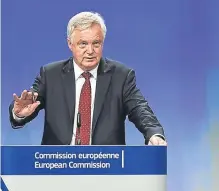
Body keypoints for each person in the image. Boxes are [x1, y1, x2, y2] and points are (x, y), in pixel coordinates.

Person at [9, 11, 167, 146]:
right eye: (83, 44)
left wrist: (154, 134)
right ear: (70, 44)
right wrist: (20, 113)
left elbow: (140, 109)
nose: (90, 51)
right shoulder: (50, 75)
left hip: (106, 166)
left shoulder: (121, 76)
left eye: (96, 43)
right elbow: (31, 102)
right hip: (57, 165)